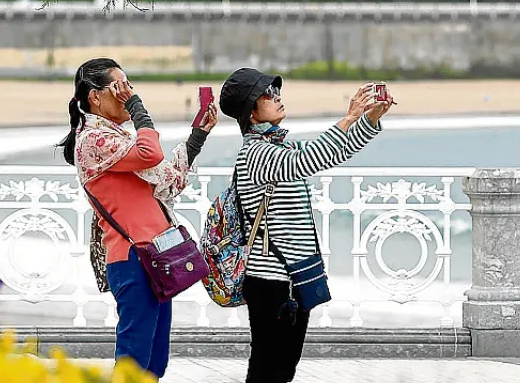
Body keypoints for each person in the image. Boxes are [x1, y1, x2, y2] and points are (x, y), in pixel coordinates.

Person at [219, 68, 392, 383]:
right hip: (270, 279)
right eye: (267, 94)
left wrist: (370, 120)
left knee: (284, 368)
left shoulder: (279, 147)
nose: (277, 97)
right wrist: (349, 118)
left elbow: (329, 155)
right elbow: (307, 161)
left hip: (294, 274)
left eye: (276, 91)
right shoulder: (255, 153)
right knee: (267, 368)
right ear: (251, 113)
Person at [60, 58, 217, 379]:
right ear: (95, 97)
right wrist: (137, 106)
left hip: (155, 256)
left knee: (155, 360)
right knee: (134, 359)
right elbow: (151, 154)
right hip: (132, 257)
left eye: (129, 86)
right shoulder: (93, 140)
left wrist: (198, 135)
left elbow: (169, 180)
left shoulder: (118, 140)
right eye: (119, 87)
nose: (127, 93)